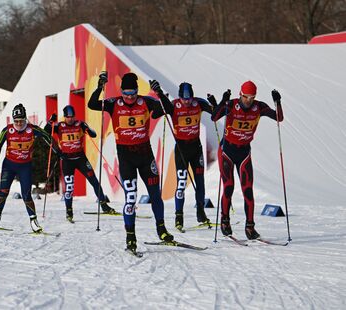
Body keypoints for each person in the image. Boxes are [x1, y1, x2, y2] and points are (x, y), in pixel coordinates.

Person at [88, 72, 174, 254]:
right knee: (131, 198)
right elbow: (92, 104)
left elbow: (168, 110)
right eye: (126, 94)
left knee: (155, 195)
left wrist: (159, 93)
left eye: (133, 94)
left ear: (137, 91)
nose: (129, 98)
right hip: (126, 158)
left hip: (145, 156)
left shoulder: (146, 102)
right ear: (121, 92)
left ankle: (162, 230)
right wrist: (99, 87)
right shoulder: (113, 103)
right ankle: (131, 237)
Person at [211, 81, 283, 239]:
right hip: (227, 152)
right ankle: (225, 221)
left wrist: (277, 103)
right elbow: (214, 117)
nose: (248, 100)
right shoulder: (232, 105)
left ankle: (250, 227)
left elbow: (279, 118)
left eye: (251, 97)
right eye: (245, 97)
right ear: (240, 94)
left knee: (248, 191)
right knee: (228, 187)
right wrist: (223, 101)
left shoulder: (259, 107)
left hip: (244, 152)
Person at [153, 82, 215, 231]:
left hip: (196, 148)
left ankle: (201, 213)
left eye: (189, 99)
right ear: (179, 97)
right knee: (181, 183)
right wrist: (161, 102)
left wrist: (214, 103)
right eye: (184, 99)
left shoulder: (199, 103)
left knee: (200, 182)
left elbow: (215, 114)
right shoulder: (173, 105)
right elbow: (155, 114)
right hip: (181, 149)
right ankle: (178, 217)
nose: (187, 102)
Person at [0, 103, 60, 232]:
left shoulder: (32, 129)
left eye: (21, 121)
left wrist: (57, 150)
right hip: (9, 165)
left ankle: (34, 221)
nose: (19, 124)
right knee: (3, 192)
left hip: (25, 166)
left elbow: (47, 137)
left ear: (25, 119)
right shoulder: (8, 130)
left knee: (26, 194)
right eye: (16, 121)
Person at [44, 105, 116, 222]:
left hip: (81, 158)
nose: (70, 119)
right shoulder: (59, 126)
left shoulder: (80, 124)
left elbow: (93, 134)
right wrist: (50, 121)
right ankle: (69, 211)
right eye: (68, 117)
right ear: (65, 117)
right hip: (67, 160)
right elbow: (46, 131)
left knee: (94, 181)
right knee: (70, 187)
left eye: (72, 117)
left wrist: (87, 129)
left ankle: (104, 206)